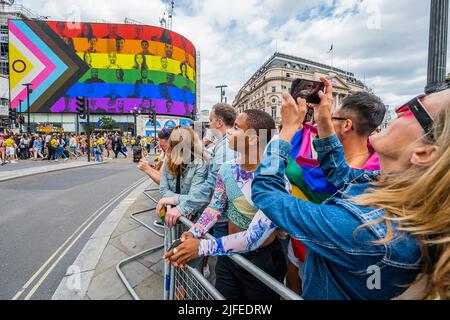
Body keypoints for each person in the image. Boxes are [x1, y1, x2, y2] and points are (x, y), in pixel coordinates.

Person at [251, 78, 450, 300]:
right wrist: (325, 120)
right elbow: (340, 174)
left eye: (410, 108)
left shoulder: (366, 229)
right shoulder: (390, 185)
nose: (395, 109)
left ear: (424, 153)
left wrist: (286, 131)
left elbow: (266, 193)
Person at [164, 110, 287, 300]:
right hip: (228, 257)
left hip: (263, 262)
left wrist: (200, 247)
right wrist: (193, 233)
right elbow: (215, 207)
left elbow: (253, 238)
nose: (229, 131)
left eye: (237, 128)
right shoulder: (226, 169)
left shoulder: (275, 180)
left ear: (254, 139)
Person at [283, 91, 386, 294]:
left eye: (331, 117)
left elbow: (267, 191)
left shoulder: (363, 181)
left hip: (328, 272)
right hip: (298, 248)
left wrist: (287, 129)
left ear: (346, 125)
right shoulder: (375, 170)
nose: (324, 122)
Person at [156, 127, 210, 227]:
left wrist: (168, 200)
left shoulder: (200, 164)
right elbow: (163, 190)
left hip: (193, 222)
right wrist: (182, 200)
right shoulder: (168, 160)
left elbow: (196, 197)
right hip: (171, 219)